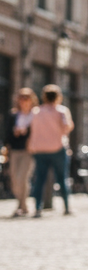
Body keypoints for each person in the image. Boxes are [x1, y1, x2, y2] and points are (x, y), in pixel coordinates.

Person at [28, 84, 74, 217]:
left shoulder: (36, 112)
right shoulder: (61, 111)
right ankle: (66, 207)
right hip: (57, 148)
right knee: (62, 178)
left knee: (39, 180)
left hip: (39, 149)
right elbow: (67, 126)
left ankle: (37, 208)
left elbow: (31, 129)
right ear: (58, 97)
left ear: (44, 97)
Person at [5, 88, 37, 216]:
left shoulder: (35, 114)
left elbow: (38, 132)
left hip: (29, 150)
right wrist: (14, 133)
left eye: (26, 98)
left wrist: (27, 133)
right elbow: (6, 133)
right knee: (14, 179)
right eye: (21, 98)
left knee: (22, 178)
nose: (24, 101)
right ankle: (22, 204)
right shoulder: (13, 115)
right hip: (15, 150)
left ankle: (21, 206)